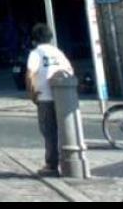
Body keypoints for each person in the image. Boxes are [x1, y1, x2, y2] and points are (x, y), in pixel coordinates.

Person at [25, 23, 73, 177]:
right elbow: (69, 71)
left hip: (44, 97)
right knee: (64, 130)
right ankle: (68, 160)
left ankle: (51, 165)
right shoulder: (58, 52)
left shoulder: (36, 53)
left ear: (34, 40)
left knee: (49, 132)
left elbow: (29, 74)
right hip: (62, 98)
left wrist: (32, 94)